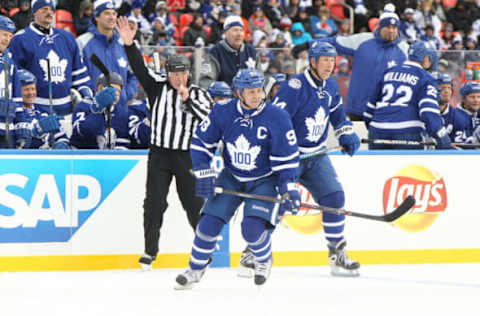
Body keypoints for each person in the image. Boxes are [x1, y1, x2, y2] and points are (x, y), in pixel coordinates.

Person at [175, 69, 300, 289]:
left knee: (251, 229)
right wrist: (204, 171)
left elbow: (287, 159)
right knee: (207, 225)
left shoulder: (277, 116)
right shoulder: (222, 111)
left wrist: (288, 188)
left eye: (259, 90)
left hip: (264, 179)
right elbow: (201, 143)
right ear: (238, 93)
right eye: (250, 91)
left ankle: (263, 259)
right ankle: (195, 269)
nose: (256, 96)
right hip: (231, 176)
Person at [116, 15, 214, 270]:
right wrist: (129, 44)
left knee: (193, 204)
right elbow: (139, 67)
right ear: (168, 73)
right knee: (154, 203)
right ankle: (150, 251)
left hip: (186, 156)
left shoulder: (200, 94)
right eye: (173, 73)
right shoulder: (157, 87)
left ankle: (204, 249)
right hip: (159, 155)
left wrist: (187, 100)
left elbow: (208, 120)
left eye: (182, 72)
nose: (178, 77)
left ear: (188, 73)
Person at [268, 41, 361, 277]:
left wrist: (347, 133)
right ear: (312, 61)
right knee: (276, 204)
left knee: (334, 198)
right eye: (325, 60)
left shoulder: (330, 86)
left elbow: (338, 116)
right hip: (290, 156)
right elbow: (275, 121)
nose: (330, 65)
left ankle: (336, 254)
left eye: (332, 60)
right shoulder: (294, 87)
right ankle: (254, 251)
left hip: (317, 155)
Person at [292, 4, 409, 121]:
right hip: (358, 108)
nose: (391, 31)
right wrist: (308, 45)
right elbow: (334, 42)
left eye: (394, 27)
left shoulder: (404, 49)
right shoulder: (363, 40)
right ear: (380, 27)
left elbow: (420, 66)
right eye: (388, 27)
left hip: (387, 110)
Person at [9, 0, 93, 135]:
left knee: (66, 150)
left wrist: (87, 97)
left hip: (67, 111)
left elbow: (80, 75)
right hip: (37, 114)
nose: (49, 13)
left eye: (51, 9)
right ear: (34, 12)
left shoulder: (67, 38)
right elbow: (14, 80)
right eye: (43, 9)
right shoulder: (21, 39)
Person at [364, 40, 452, 150]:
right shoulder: (426, 78)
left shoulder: (389, 72)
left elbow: (370, 106)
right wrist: (440, 135)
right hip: (407, 131)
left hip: (377, 130)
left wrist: (373, 127)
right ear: (426, 58)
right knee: (409, 167)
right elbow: (428, 111)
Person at [76, 0, 138, 107]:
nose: (112, 17)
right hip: (93, 107)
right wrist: (91, 97)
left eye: (114, 13)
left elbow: (134, 73)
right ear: (96, 17)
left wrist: (127, 95)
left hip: (120, 108)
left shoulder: (124, 42)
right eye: (107, 13)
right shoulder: (82, 42)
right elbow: (78, 75)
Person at [70, 72, 130, 150]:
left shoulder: (121, 112)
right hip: (82, 156)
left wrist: (115, 156)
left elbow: (123, 142)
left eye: (118, 91)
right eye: (112, 89)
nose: (116, 94)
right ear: (100, 88)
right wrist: (98, 109)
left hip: (109, 159)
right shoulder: (84, 105)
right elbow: (82, 132)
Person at [13, 69, 69, 149]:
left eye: (33, 89)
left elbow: (62, 138)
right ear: (16, 91)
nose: (31, 93)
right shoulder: (12, 114)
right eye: (26, 89)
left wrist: (61, 145)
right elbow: (16, 146)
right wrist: (35, 131)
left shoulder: (45, 111)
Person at [198, 15, 257, 89]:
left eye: (241, 30)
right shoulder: (215, 52)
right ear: (226, 33)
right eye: (235, 30)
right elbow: (206, 81)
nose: (239, 34)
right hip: (224, 98)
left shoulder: (252, 51)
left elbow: (260, 78)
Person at [0, 16, 22, 149]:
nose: (7, 39)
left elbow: (17, 97)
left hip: (6, 129)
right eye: (3, 34)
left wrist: (21, 125)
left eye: (9, 36)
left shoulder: (10, 61)